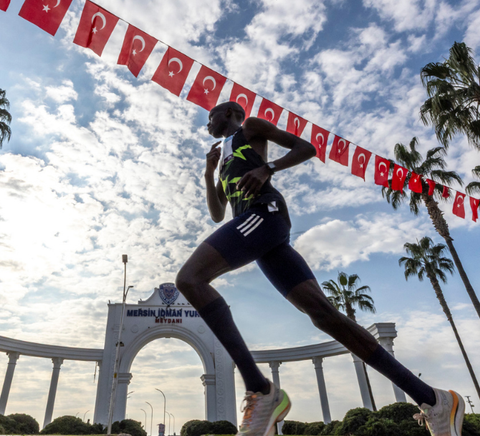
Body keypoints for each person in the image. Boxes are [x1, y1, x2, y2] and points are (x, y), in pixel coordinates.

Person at [174, 102, 464, 436]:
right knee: (324, 315)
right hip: (253, 228)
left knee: (190, 278)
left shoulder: (249, 129)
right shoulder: (222, 156)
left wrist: (267, 168)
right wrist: (209, 175)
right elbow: (216, 213)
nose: (207, 123)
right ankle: (434, 400)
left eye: (210, 116)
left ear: (227, 114)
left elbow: (306, 147)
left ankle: (261, 390)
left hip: (265, 214)